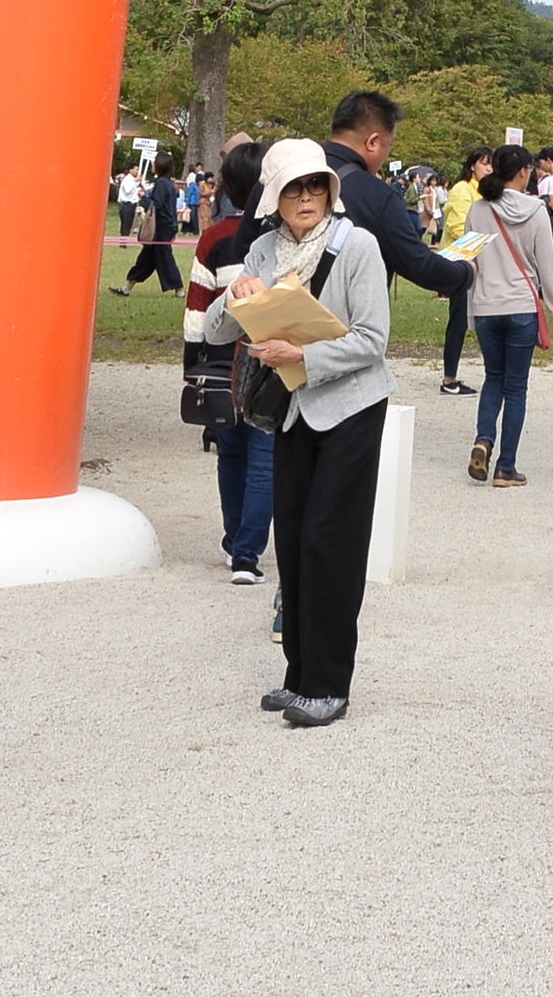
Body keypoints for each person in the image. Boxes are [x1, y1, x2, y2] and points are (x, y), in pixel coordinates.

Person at [209, 137, 397, 728]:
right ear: (274, 197)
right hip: (291, 410)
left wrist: (303, 354)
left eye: (316, 185)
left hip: (350, 408)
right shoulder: (262, 251)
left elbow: (373, 340)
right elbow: (216, 332)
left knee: (329, 542)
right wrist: (235, 294)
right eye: (294, 187)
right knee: (290, 538)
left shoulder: (359, 245)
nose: (307, 196)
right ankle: (298, 675)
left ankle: (329, 684)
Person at [190, 139, 277, 584]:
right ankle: (248, 552)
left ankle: (232, 540)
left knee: (231, 454)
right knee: (264, 458)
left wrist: (192, 366)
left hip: (222, 359)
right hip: (269, 359)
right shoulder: (279, 241)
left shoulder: (213, 239)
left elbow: (196, 312)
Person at [461, 142, 553, 488]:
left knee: (493, 378)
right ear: (524, 172)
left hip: (486, 305)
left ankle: (483, 439)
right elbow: (547, 268)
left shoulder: (478, 210)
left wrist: (469, 313)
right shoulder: (536, 212)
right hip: (520, 306)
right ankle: (506, 466)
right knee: (516, 387)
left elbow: (468, 265)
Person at [322, 92, 476, 330]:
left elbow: (243, 255)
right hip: (345, 333)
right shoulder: (377, 195)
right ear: (372, 142)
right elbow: (418, 265)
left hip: (273, 337)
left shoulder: (281, 179)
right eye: (388, 146)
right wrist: (465, 272)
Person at [437, 147, 490, 396]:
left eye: (491, 165)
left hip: (478, 262)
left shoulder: (485, 193)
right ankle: (449, 379)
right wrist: (484, 240)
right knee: (458, 320)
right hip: (459, 263)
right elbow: (458, 227)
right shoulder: (462, 190)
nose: (489, 169)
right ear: (472, 166)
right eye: (484, 164)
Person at [116, 145, 186, 292]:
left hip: (160, 227)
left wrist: (143, 198)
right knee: (147, 259)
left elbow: (157, 206)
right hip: (166, 225)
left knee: (164, 258)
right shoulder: (168, 184)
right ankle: (128, 287)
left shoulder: (161, 183)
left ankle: (178, 288)